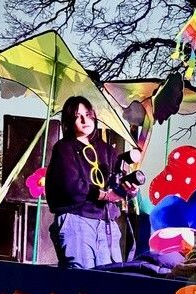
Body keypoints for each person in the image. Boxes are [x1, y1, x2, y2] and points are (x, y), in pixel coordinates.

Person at [45, 96, 137, 269]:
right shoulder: (64, 148)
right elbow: (71, 185)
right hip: (76, 220)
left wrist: (128, 190)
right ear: (69, 120)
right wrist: (103, 195)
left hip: (106, 223)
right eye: (77, 116)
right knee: (82, 277)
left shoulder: (108, 150)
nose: (84, 120)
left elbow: (118, 182)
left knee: (109, 277)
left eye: (87, 115)